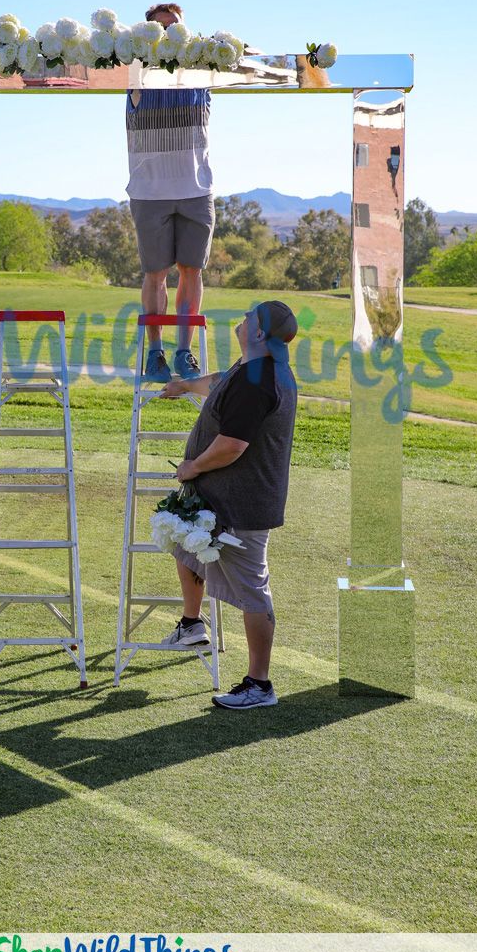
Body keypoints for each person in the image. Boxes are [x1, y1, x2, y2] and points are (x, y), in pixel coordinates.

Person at [157, 300, 298, 710]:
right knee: (184, 542)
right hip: (220, 499)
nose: (242, 318)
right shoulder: (251, 369)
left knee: (253, 591)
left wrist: (192, 467)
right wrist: (185, 386)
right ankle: (191, 624)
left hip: (243, 505)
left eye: (250, 316)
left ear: (258, 332)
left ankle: (259, 684)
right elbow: (220, 381)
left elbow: (233, 446)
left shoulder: (259, 381)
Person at [126, 1, 214, 383]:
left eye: (174, 26)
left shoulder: (201, 73)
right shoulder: (135, 74)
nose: (167, 33)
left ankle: (183, 353)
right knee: (156, 273)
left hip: (196, 189)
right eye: (159, 28)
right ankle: (155, 353)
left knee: (192, 271)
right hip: (149, 192)